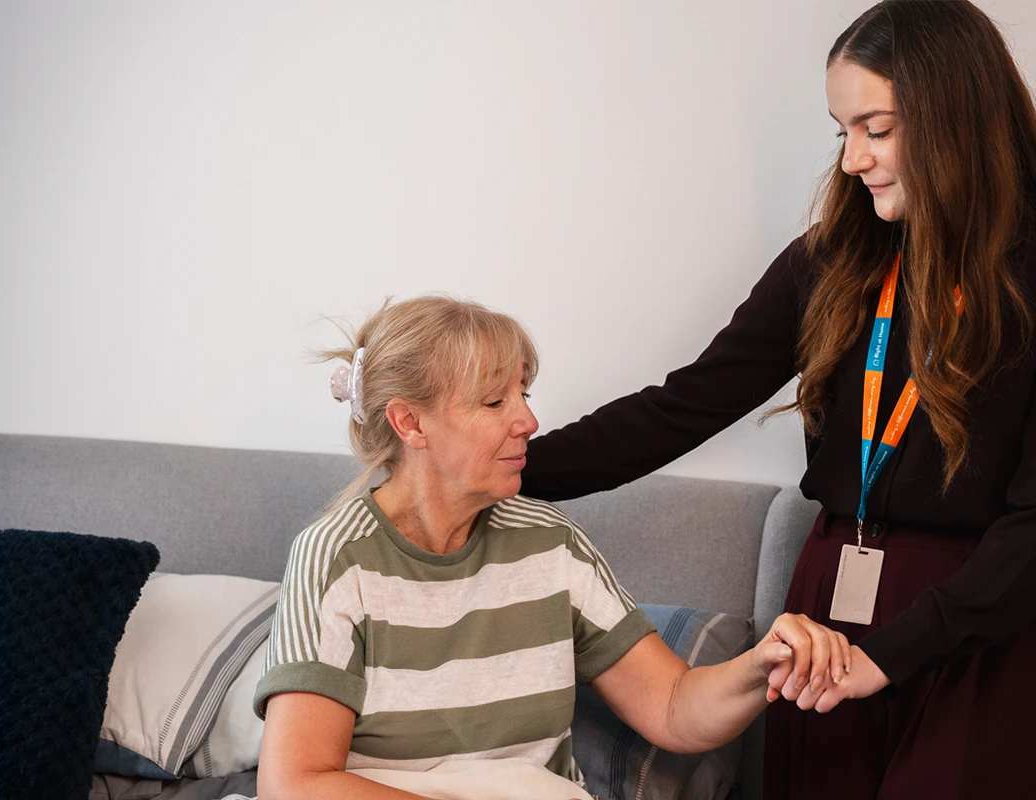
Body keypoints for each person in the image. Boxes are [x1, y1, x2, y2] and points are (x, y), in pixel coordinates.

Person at [520, 1, 1036, 797]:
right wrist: (509, 468)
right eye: (843, 132)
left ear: (955, 117)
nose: (856, 159)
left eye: (878, 127)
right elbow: (683, 405)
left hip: (977, 618)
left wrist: (896, 652)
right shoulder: (832, 260)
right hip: (827, 611)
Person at [253, 296, 850, 800]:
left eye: (524, 394)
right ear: (410, 424)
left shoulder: (550, 542)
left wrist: (760, 666)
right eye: (495, 403)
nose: (529, 422)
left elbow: (672, 707)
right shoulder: (336, 556)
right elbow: (296, 782)